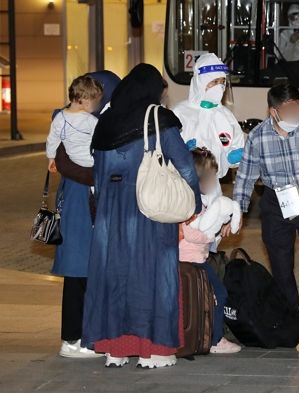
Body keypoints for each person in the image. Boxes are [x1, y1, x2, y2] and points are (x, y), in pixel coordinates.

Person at [82, 64, 202, 369]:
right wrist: (194, 204)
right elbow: (185, 165)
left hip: (111, 214)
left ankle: (116, 349)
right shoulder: (159, 119)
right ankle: (155, 350)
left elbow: (96, 174)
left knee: (115, 277)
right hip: (148, 212)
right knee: (154, 278)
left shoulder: (105, 121)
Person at [233, 82, 299, 339]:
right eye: (289, 108)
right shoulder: (258, 136)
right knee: (280, 264)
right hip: (275, 202)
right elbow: (246, 177)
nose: (296, 112)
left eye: (297, 106)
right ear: (274, 112)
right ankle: (289, 317)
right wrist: (236, 211)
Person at [45, 75, 103, 358]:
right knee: (78, 271)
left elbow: (54, 151)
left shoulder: (62, 119)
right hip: (79, 201)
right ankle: (72, 339)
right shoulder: (88, 122)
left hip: (75, 199)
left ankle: (79, 336)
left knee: (80, 272)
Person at [179, 147, 242, 354]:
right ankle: (214, 339)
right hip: (191, 261)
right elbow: (187, 231)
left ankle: (199, 336)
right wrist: (209, 236)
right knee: (218, 294)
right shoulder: (191, 201)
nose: (214, 182)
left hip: (195, 258)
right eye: (211, 176)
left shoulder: (195, 199)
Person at [173, 53, 245, 198]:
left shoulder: (226, 116)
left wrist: (234, 157)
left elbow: (235, 148)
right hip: (184, 186)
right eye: (214, 82)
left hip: (213, 186)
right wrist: (183, 152)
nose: (219, 87)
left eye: (222, 82)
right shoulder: (180, 112)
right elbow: (167, 148)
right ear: (201, 81)